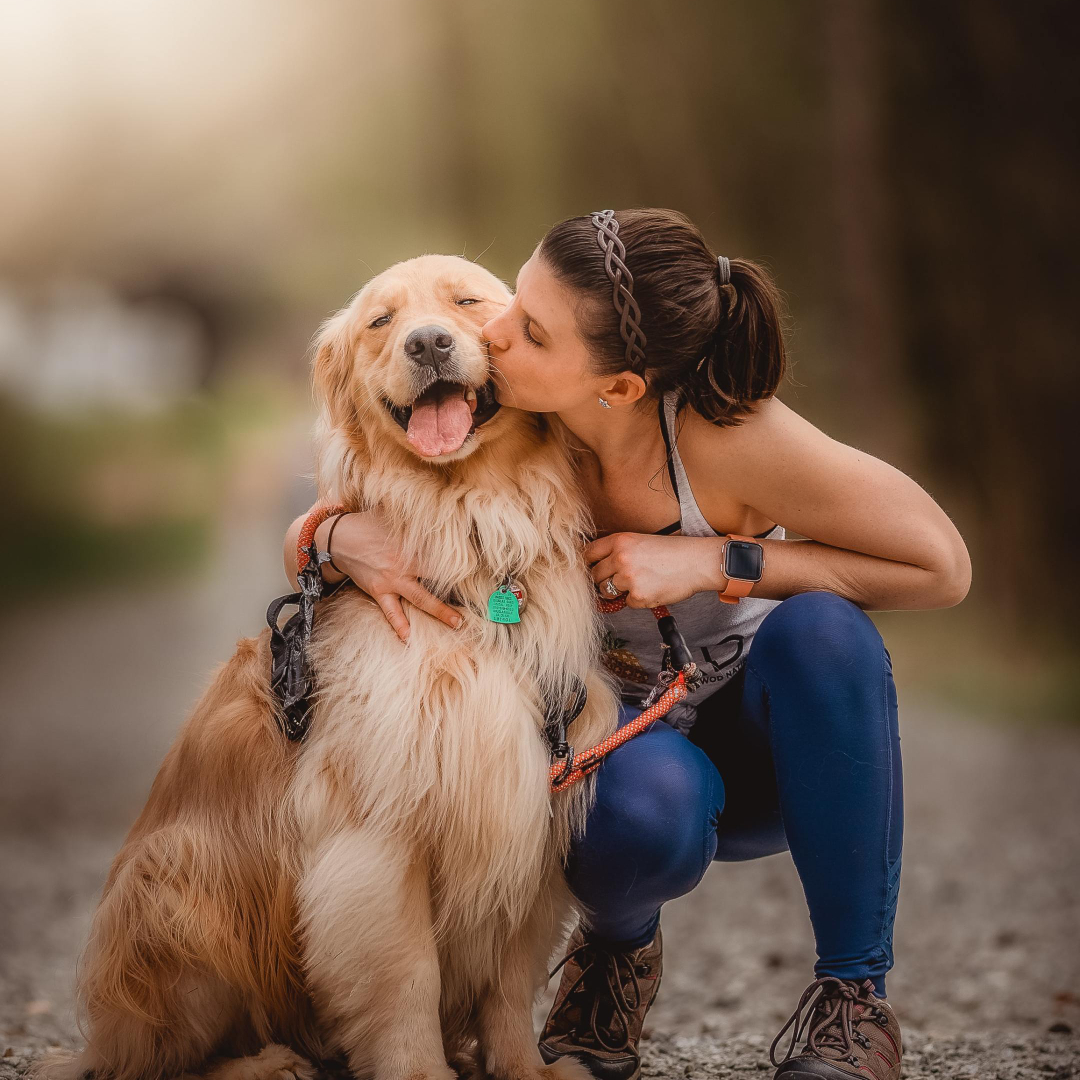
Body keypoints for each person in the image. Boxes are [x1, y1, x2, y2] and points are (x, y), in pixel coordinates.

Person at [283, 208, 971, 1080]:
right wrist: (329, 540)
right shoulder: (513, 438)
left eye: (525, 329)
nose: (485, 334)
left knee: (826, 632)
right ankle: (615, 955)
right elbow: (340, 508)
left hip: (760, 747)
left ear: (616, 388)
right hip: (626, 763)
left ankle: (853, 1003)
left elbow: (941, 568)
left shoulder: (726, 434)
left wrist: (713, 559)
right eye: (512, 302)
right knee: (632, 810)